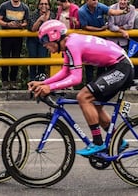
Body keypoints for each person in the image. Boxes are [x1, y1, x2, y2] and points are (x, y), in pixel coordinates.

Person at [28, 20, 134, 156]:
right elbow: (65, 71)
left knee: (83, 97)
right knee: (94, 105)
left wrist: (50, 88)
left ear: (54, 36)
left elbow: (76, 78)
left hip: (121, 67)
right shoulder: (68, 45)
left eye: (44, 40)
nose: (44, 45)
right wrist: (43, 84)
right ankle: (118, 141)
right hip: (116, 66)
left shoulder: (72, 44)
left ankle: (98, 143)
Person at [79, 0, 130, 84]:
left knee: (101, 62)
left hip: (100, 40)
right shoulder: (82, 11)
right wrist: (100, 29)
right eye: (94, 0)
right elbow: (85, 27)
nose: (96, 1)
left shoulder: (100, 6)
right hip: (88, 41)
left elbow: (112, 12)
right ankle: (89, 85)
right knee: (89, 64)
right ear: (87, 1)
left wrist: (123, 12)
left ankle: (100, 85)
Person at [0, 0, 29, 90]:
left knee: (16, 58)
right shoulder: (4, 6)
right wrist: (7, 24)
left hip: (18, 37)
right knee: (5, 58)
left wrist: (21, 25)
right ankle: (5, 81)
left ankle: (13, 81)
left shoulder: (24, 7)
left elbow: (26, 22)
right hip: (6, 36)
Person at [26, 0, 54, 82]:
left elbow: (51, 27)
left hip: (44, 41)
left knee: (42, 58)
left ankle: (41, 79)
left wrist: (46, 19)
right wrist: (40, 19)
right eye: (41, 4)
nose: (43, 6)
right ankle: (32, 79)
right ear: (38, 6)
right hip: (33, 40)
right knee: (33, 58)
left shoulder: (52, 15)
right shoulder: (33, 15)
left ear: (49, 6)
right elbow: (33, 29)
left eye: (46, 4)